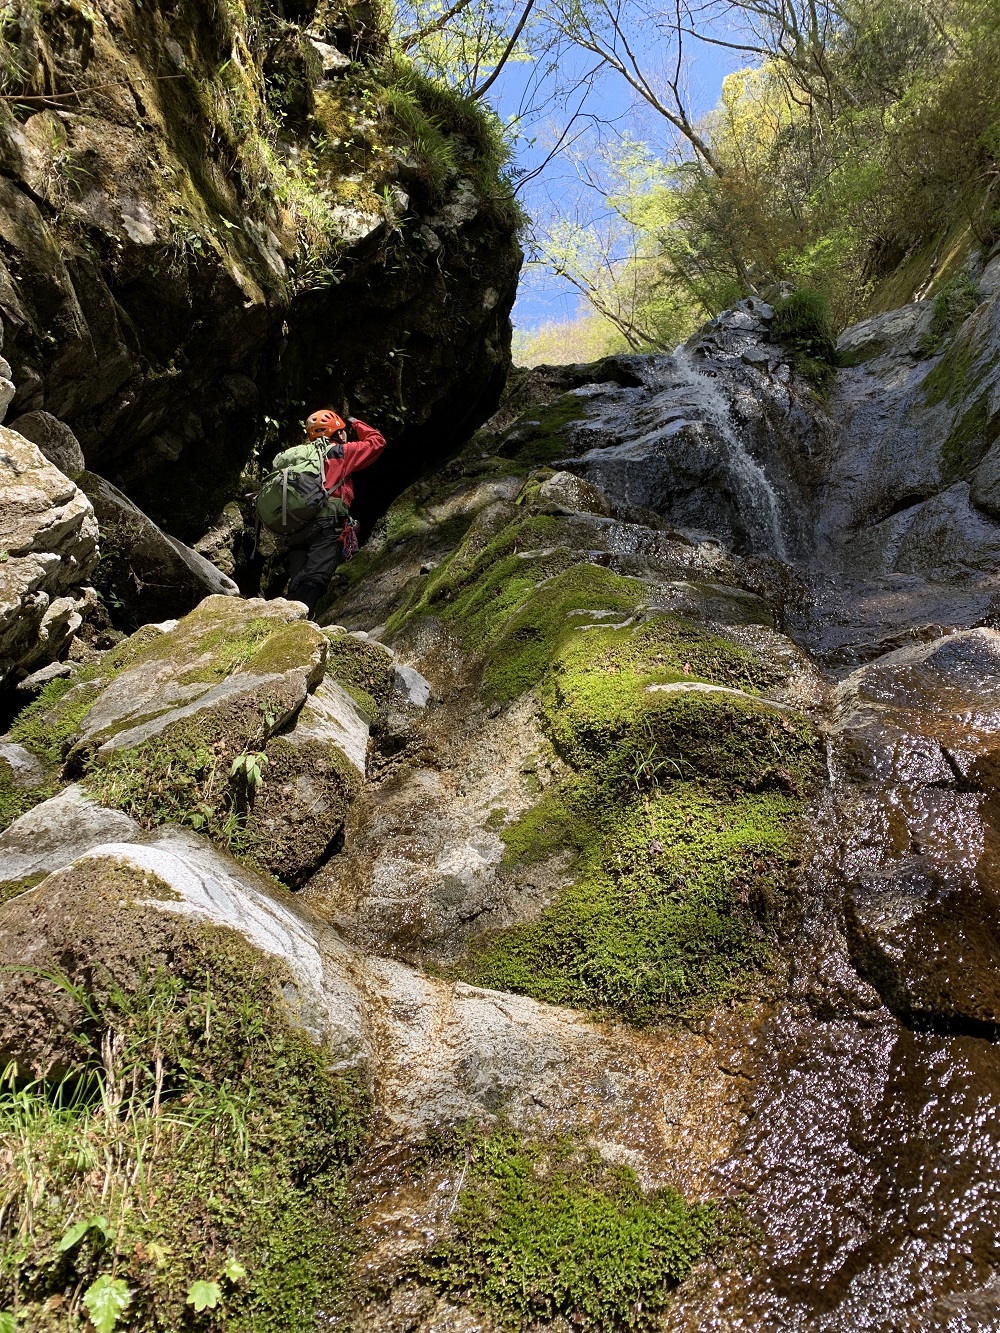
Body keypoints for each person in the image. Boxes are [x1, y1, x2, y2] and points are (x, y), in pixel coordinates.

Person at [285, 408, 386, 615]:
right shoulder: (340, 452)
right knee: (317, 577)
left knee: (297, 580)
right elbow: (377, 442)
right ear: (338, 432)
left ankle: (284, 617)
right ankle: (297, 625)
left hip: (296, 526)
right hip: (326, 524)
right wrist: (355, 421)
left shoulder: (299, 456)